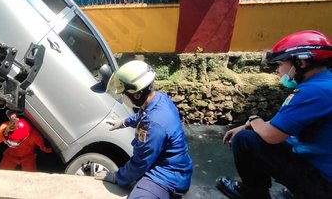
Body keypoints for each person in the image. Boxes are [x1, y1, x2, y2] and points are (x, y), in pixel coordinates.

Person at [216, 30, 332, 199]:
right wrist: (249, 124)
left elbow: (271, 135)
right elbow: (282, 124)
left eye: (280, 64)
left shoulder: (312, 92)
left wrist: (253, 120)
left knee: (245, 140)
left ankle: (253, 194)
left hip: (323, 184)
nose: (278, 71)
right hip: (322, 169)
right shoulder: (325, 83)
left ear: (302, 62)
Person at [96, 60, 193, 199]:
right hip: (166, 164)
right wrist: (124, 122)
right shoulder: (159, 99)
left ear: (137, 94)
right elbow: (143, 116)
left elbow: (140, 163)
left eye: (124, 93)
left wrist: (117, 177)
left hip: (167, 175)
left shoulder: (154, 124)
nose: (123, 96)